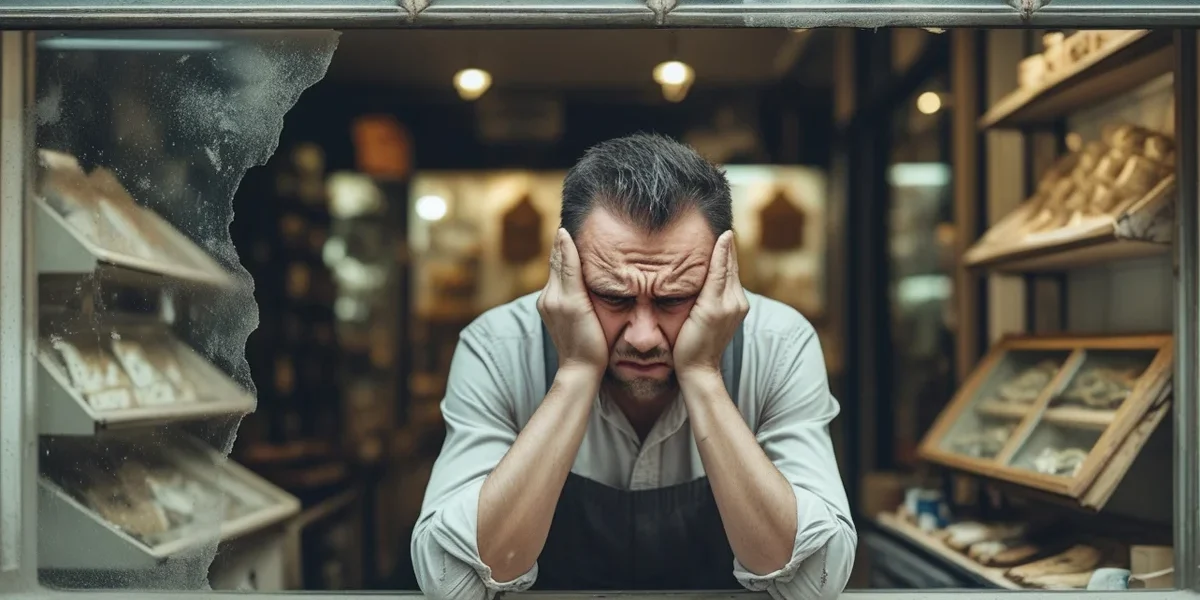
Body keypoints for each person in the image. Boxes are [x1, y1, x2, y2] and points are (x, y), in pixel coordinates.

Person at [411, 134, 855, 600]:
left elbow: (816, 581)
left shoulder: (780, 344)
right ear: (566, 269)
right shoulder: (498, 348)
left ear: (721, 277)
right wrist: (577, 371)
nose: (643, 337)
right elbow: (450, 583)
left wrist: (703, 375)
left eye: (675, 298)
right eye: (612, 296)